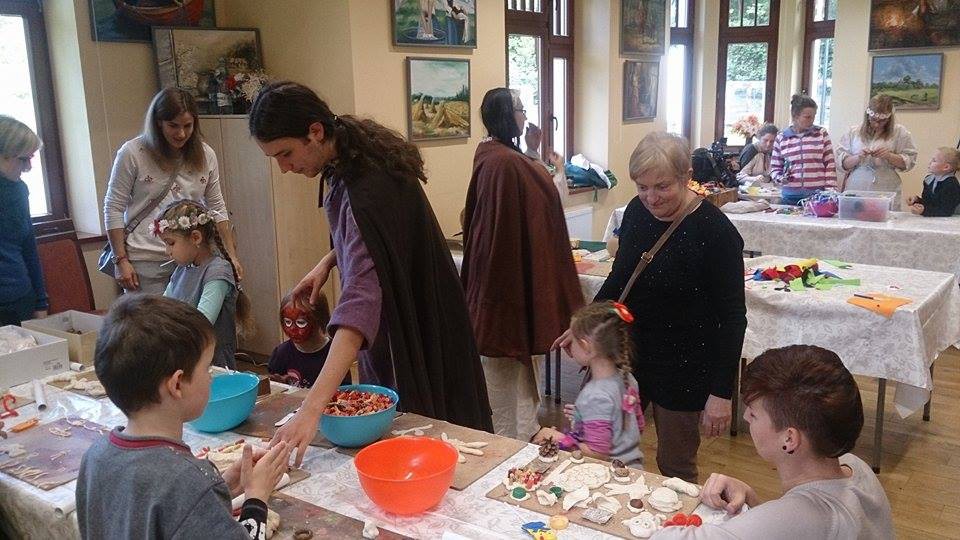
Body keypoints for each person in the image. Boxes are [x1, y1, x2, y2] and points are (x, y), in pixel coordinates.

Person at [249, 81, 492, 463]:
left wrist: (311, 408)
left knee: (427, 437)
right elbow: (377, 238)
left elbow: (360, 303)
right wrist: (330, 260)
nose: (284, 168)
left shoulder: (367, 184)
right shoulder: (353, 158)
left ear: (315, 132)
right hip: (411, 311)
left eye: (286, 153)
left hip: (414, 320)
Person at [557, 132, 746, 483]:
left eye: (662, 187)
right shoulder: (636, 212)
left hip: (686, 367)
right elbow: (620, 280)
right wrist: (583, 326)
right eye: (642, 187)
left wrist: (721, 392)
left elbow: (733, 318)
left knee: (675, 467)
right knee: (602, 449)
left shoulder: (716, 232)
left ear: (686, 175)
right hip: (629, 357)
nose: (651, 198)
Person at [76, 295, 293, 539]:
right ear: (177, 384)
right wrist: (256, 499)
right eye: (207, 368)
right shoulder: (187, 483)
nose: (210, 378)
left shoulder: (95, 456)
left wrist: (220, 487)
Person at [653, 345, 893, 539]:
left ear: (789, 439)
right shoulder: (855, 466)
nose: (746, 417)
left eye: (754, 413)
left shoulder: (802, 516)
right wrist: (752, 499)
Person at [461, 88, 583, 441]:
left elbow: (530, 188)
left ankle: (519, 439)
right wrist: (552, 166)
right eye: (521, 109)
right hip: (504, 287)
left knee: (513, 381)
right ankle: (513, 446)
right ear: (506, 114)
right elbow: (542, 191)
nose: (525, 115)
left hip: (498, 283)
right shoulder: (503, 162)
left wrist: (532, 151)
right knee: (505, 385)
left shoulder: (493, 155)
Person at [103, 88, 242, 295]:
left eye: (188, 126)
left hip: (192, 259)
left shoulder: (206, 154)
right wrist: (120, 260)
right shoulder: (132, 153)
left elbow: (217, 207)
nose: (181, 134)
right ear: (158, 123)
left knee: (195, 316)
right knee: (151, 317)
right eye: (173, 126)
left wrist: (231, 255)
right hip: (146, 260)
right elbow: (113, 207)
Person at [534, 301, 644, 466]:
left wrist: (558, 438)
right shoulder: (627, 378)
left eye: (573, 341)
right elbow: (637, 425)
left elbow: (597, 454)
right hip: (632, 467)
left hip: (608, 473)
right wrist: (587, 417)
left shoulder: (595, 395)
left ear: (585, 346)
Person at [157, 200, 251, 369]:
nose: (167, 251)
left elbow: (202, 323)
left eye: (171, 243)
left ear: (196, 237)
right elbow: (163, 308)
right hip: (187, 355)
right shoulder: (181, 269)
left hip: (213, 362)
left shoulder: (217, 271)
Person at [0, 116, 47, 326]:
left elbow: (29, 247)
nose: (28, 167)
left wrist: (41, 302)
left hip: (21, 299)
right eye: (23, 159)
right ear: (3, 154)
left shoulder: (19, 190)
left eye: (31, 158)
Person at [837, 94, 918, 209]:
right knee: (855, 215)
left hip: (886, 187)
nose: (876, 124)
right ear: (867, 116)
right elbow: (842, 164)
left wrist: (889, 156)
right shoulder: (854, 132)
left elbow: (909, 162)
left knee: (885, 216)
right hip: (857, 185)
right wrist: (858, 157)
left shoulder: (900, 132)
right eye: (873, 120)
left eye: (882, 121)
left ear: (889, 118)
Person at [268, 291, 350, 388]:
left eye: (301, 322)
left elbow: (346, 390)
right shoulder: (281, 353)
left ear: (320, 320)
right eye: (287, 322)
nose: (292, 329)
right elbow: (273, 388)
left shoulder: (335, 354)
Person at [770, 95, 837, 206]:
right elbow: (775, 168)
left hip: (816, 197)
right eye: (807, 117)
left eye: (813, 117)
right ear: (795, 116)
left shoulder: (821, 134)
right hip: (789, 197)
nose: (812, 120)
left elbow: (830, 165)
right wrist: (780, 178)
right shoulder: (781, 137)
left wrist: (830, 192)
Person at [522, 121, 569, 203]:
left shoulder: (535, 159)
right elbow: (556, 196)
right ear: (526, 137)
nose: (537, 139)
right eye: (534, 135)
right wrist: (560, 169)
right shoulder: (528, 162)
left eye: (538, 136)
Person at [908, 147, 960, 217]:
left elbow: (946, 211)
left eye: (934, 160)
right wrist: (917, 200)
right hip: (936, 218)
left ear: (946, 167)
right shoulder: (928, 179)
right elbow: (929, 202)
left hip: (952, 219)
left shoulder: (951, 184)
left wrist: (924, 210)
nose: (930, 162)